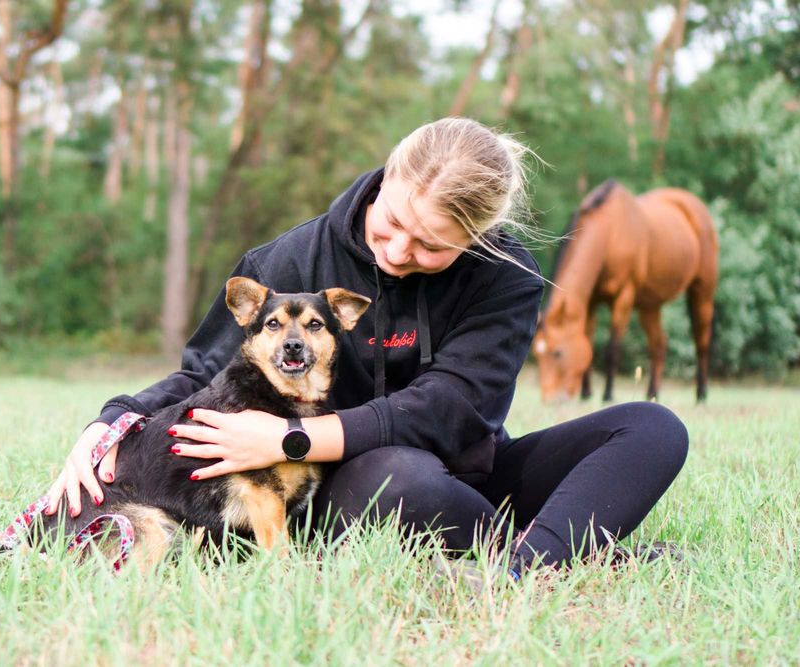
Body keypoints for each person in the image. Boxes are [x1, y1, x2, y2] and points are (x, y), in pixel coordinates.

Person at [45, 117, 688, 573]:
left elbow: (453, 406)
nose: (400, 252)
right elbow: (204, 376)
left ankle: (522, 558)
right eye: (394, 223)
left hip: (471, 469)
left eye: (432, 247)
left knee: (653, 428)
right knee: (397, 476)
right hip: (350, 486)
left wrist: (290, 438)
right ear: (387, 179)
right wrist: (110, 423)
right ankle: (554, 553)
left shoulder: (507, 275)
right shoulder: (289, 259)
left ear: (478, 237)